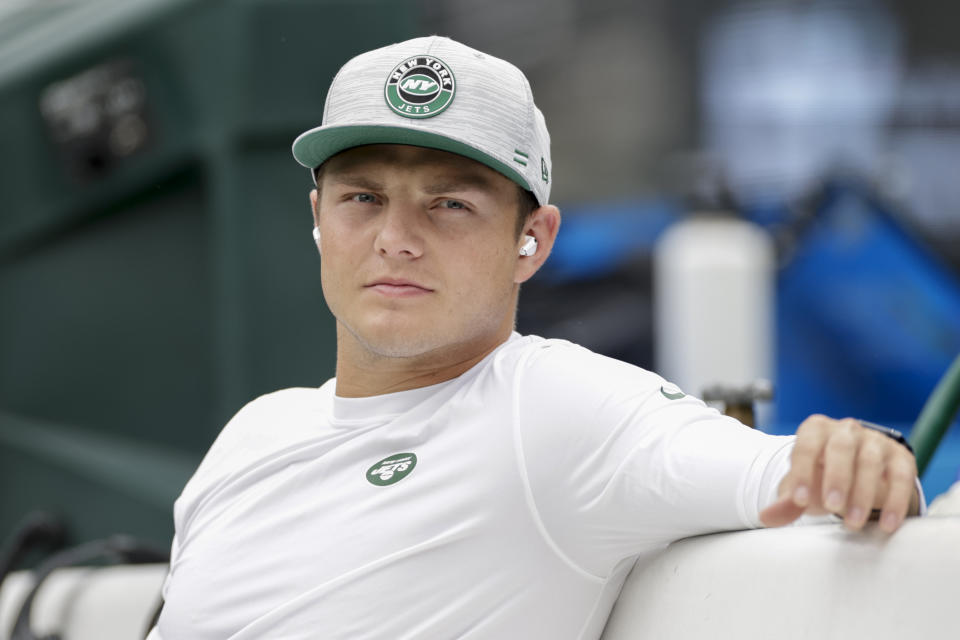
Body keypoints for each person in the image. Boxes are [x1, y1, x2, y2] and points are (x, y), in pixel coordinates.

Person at [147, 36, 922, 639]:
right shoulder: (253, 435)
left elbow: (791, 474)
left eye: (449, 204)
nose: (396, 238)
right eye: (362, 197)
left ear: (535, 239)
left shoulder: (552, 408)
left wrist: (856, 454)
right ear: (318, 218)